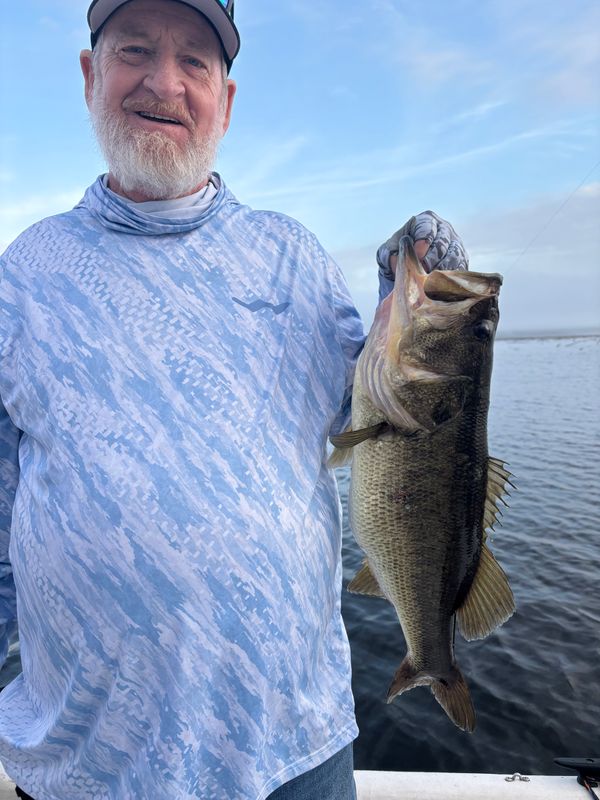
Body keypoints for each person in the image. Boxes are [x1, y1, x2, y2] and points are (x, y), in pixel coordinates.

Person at [0, 1, 468, 798]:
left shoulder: (292, 257)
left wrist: (423, 293)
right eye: (135, 50)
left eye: (195, 63)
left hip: (293, 749)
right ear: (88, 76)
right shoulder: (22, 276)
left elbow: (396, 415)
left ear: (227, 97)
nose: (164, 83)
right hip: (90, 765)